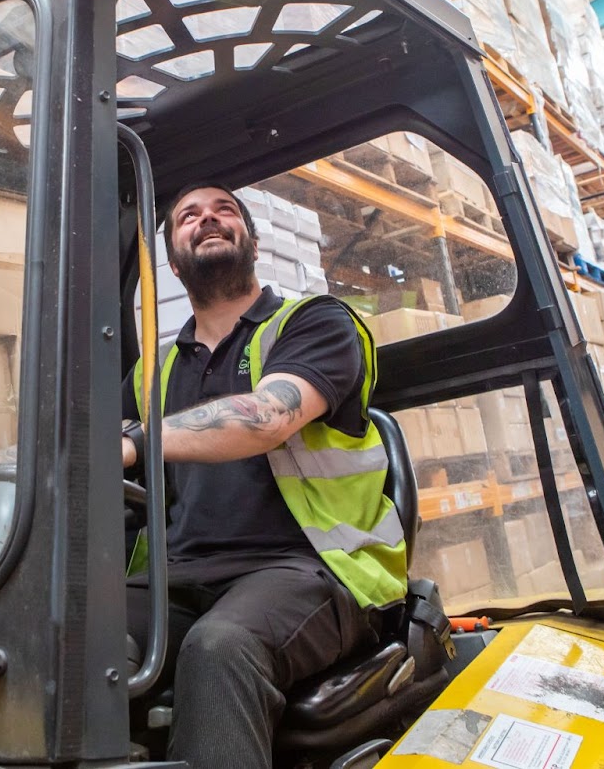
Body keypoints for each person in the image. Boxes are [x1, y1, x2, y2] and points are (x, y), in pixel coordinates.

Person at [120, 183, 408, 768]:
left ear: (249, 240)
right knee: (68, 634)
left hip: (310, 568)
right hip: (182, 575)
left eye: (224, 211)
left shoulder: (316, 322)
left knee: (221, 648)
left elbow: (269, 417)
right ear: (174, 263)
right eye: (189, 217)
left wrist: (133, 442)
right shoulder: (154, 370)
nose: (208, 219)